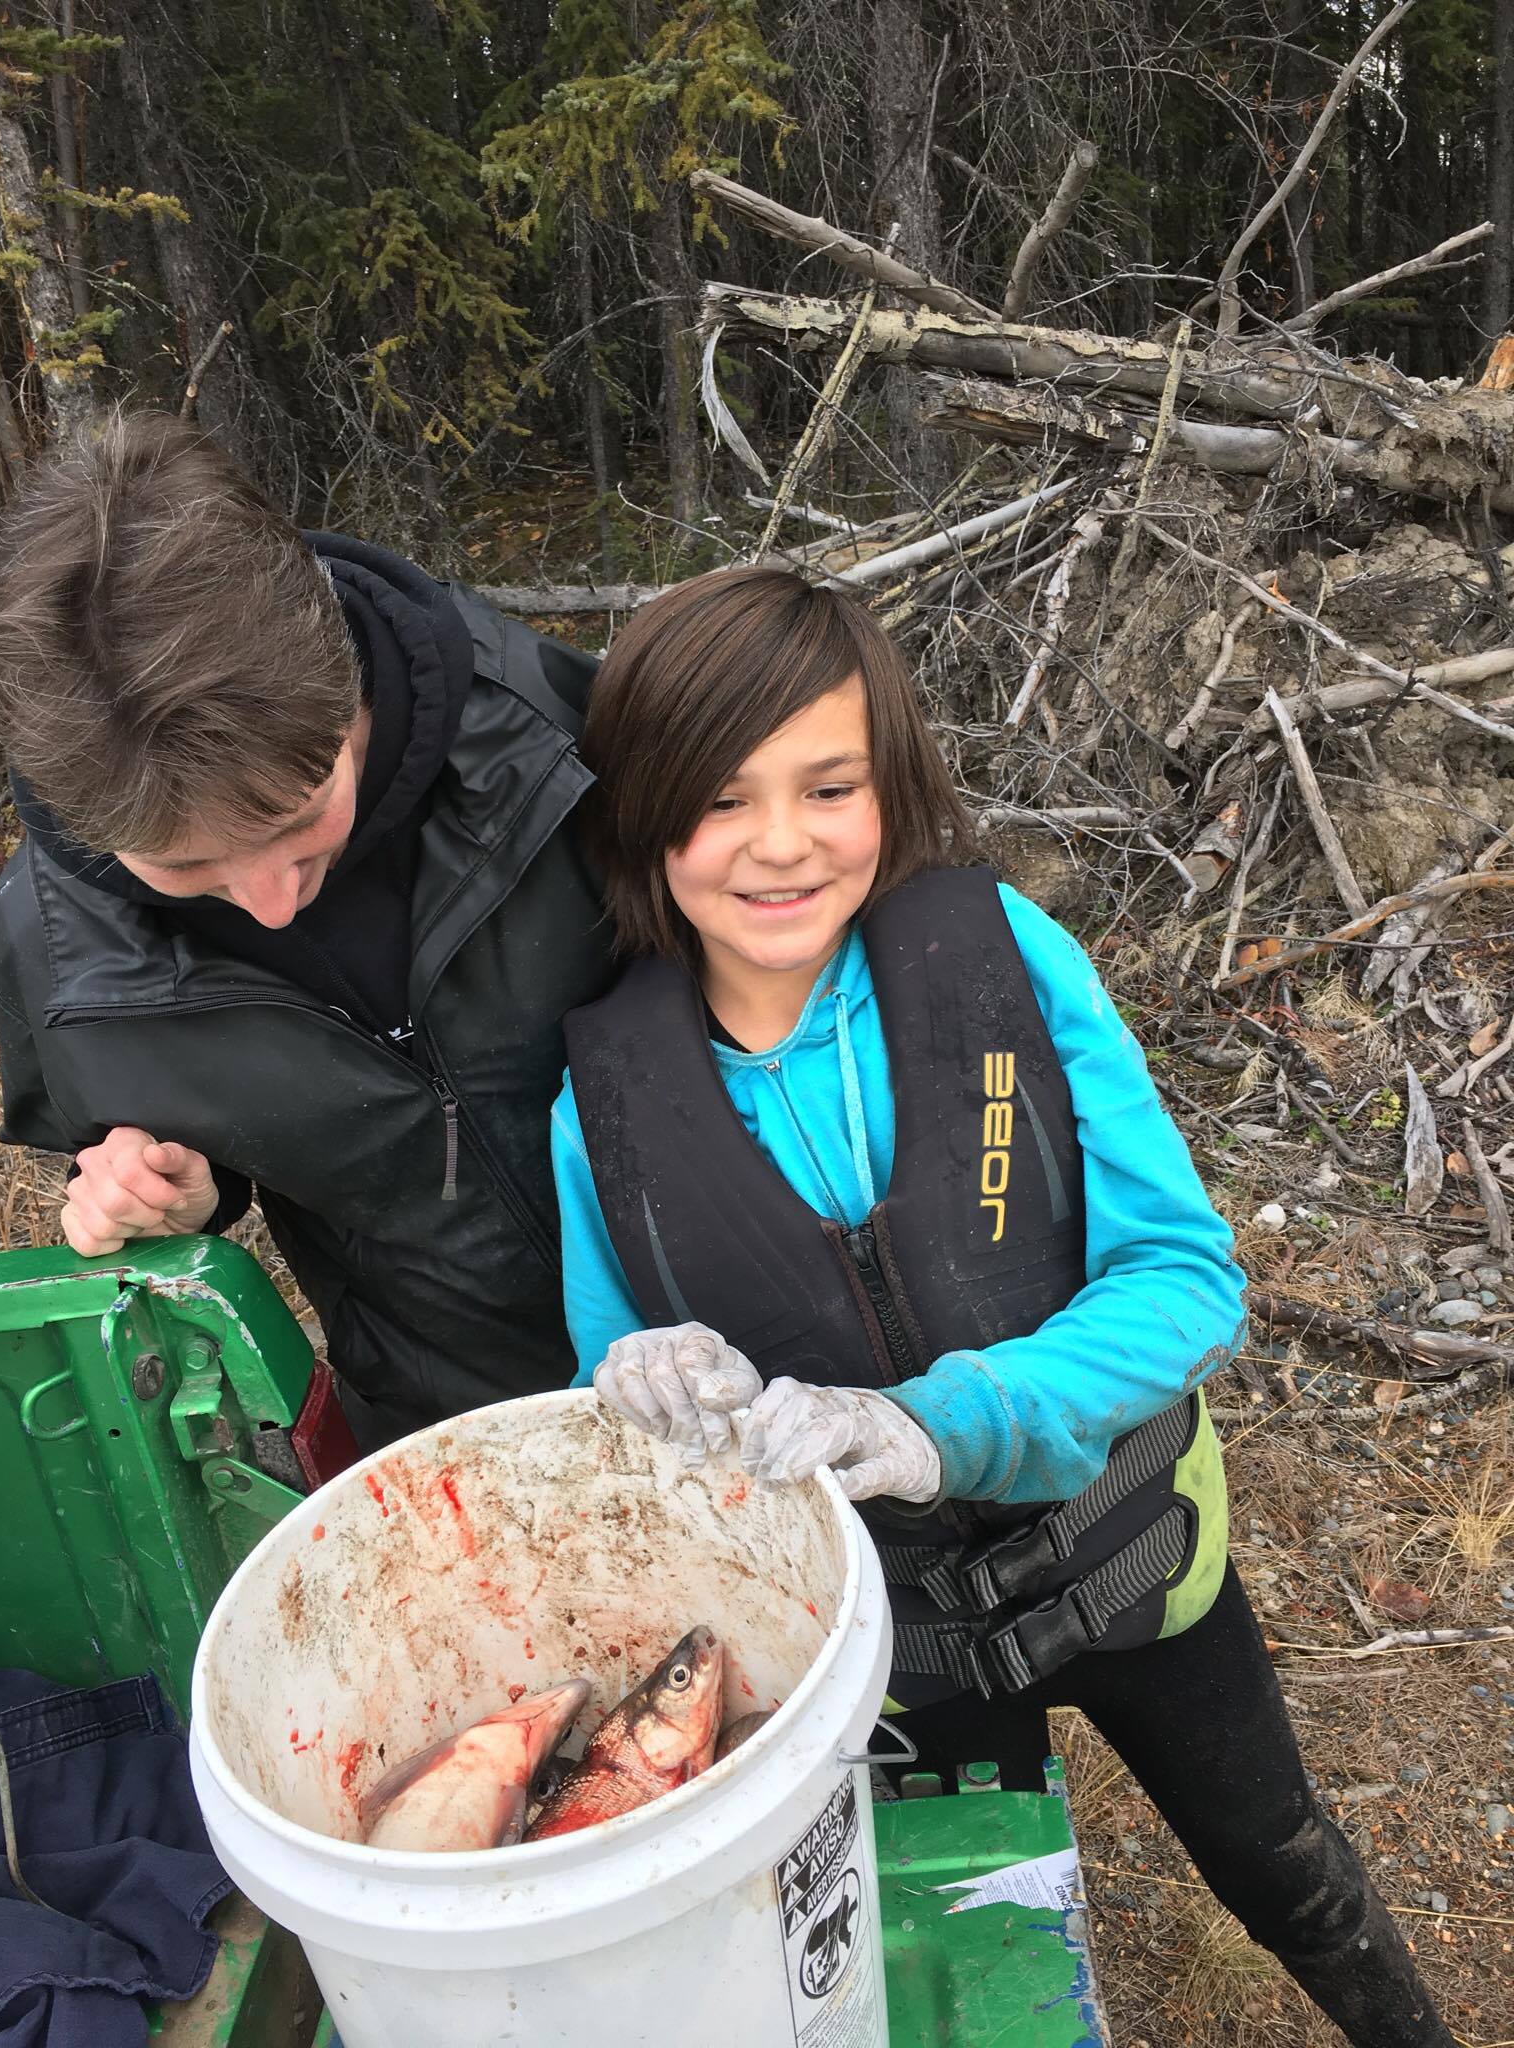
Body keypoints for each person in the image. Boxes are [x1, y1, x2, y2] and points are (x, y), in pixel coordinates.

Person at [548, 566, 1452, 2046]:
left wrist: (940, 1420)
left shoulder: (1003, 962)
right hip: (894, 1644)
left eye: (827, 785)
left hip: (1135, 1551)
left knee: (1281, 1861)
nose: (779, 844)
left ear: (891, 785)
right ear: (641, 814)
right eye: (718, 800)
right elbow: (611, 1378)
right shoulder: (604, 1105)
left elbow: (1184, 1277)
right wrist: (641, 1377)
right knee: (981, 1924)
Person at [0, 410, 613, 1451]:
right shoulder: (63, 949)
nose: (273, 901)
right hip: (452, 1427)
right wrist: (170, 1193)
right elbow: (186, 1143)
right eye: (187, 870)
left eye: (296, 817)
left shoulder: (546, 725)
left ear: (351, 683)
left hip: (748, 1356)